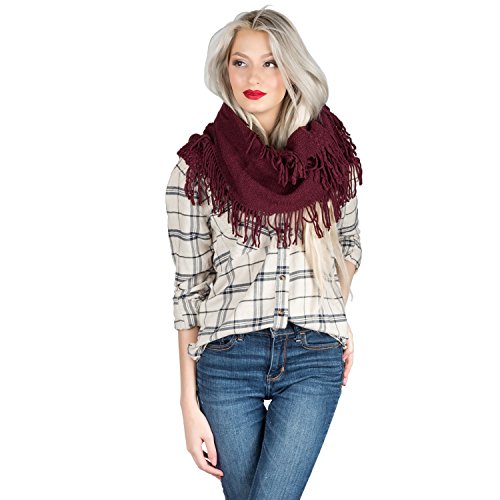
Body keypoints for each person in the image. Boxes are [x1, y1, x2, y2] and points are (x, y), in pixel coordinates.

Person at [165, 7, 363, 499]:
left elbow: (349, 244)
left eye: (270, 62)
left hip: (313, 356)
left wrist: (333, 312)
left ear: (292, 68)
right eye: (241, 62)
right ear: (225, 69)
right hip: (226, 359)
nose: (254, 77)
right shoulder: (197, 168)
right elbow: (189, 287)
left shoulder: (330, 155)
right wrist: (187, 403)